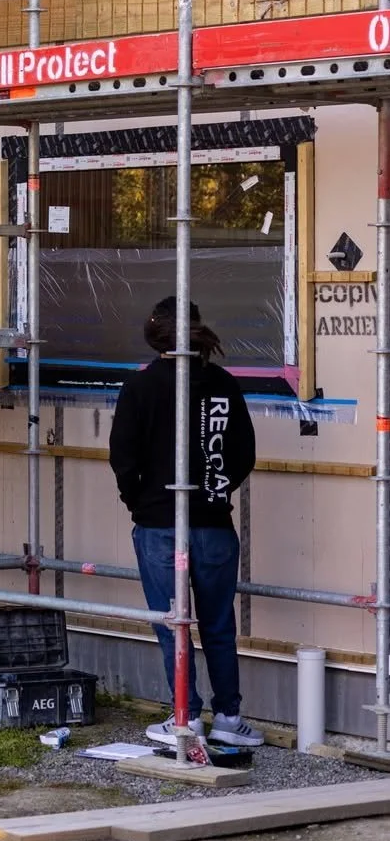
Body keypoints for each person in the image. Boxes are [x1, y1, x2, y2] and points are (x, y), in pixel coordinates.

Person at [108, 294, 263, 749]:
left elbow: (122, 458)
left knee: (172, 624)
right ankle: (229, 717)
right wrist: (217, 489)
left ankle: (187, 716)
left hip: (159, 527)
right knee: (218, 625)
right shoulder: (222, 383)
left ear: (156, 333)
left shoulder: (140, 386)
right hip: (215, 525)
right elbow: (244, 453)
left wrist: (139, 502)